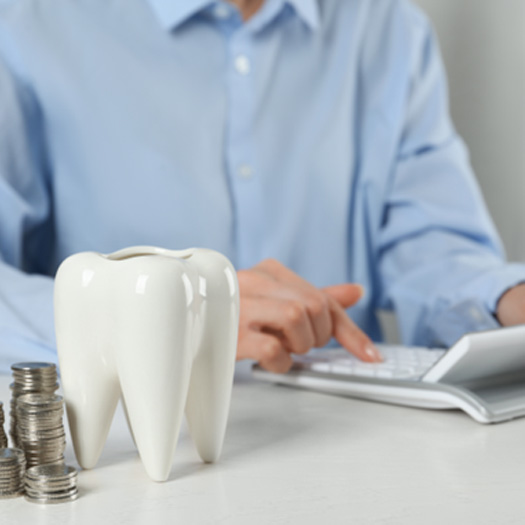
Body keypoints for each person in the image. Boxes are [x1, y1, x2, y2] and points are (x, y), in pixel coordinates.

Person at [0, 0, 524, 375]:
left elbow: (434, 251)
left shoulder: (389, 28)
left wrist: (505, 298)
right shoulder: (25, 25)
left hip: (354, 444)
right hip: (132, 450)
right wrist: (149, 313)